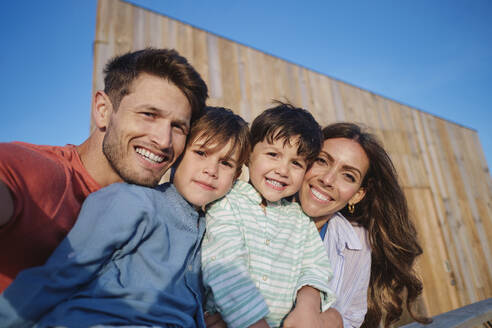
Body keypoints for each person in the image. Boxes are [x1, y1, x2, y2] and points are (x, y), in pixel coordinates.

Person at [0, 106, 250, 327]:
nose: (211, 170)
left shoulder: (210, 231)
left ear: (236, 175)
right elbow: (59, 276)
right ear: (179, 153)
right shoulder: (132, 202)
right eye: (201, 153)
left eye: (226, 163)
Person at [0, 48, 208, 292]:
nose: (163, 141)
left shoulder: (167, 215)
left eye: (178, 127)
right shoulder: (30, 172)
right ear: (103, 110)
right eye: (148, 114)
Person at [202, 102, 335, 328]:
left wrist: (307, 305)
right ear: (249, 155)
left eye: (296, 163)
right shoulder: (227, 201)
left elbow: (315, 268)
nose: (282, 171)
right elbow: (225, 266)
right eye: (273, 154)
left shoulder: (300, 220)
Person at [298, 122, 431, 328]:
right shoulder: (249, 211)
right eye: (322, 161)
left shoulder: (358, 242)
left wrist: (331, 320)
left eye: (348, 176)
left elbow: (352, 317)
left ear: (358, 194)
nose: (328, 179)